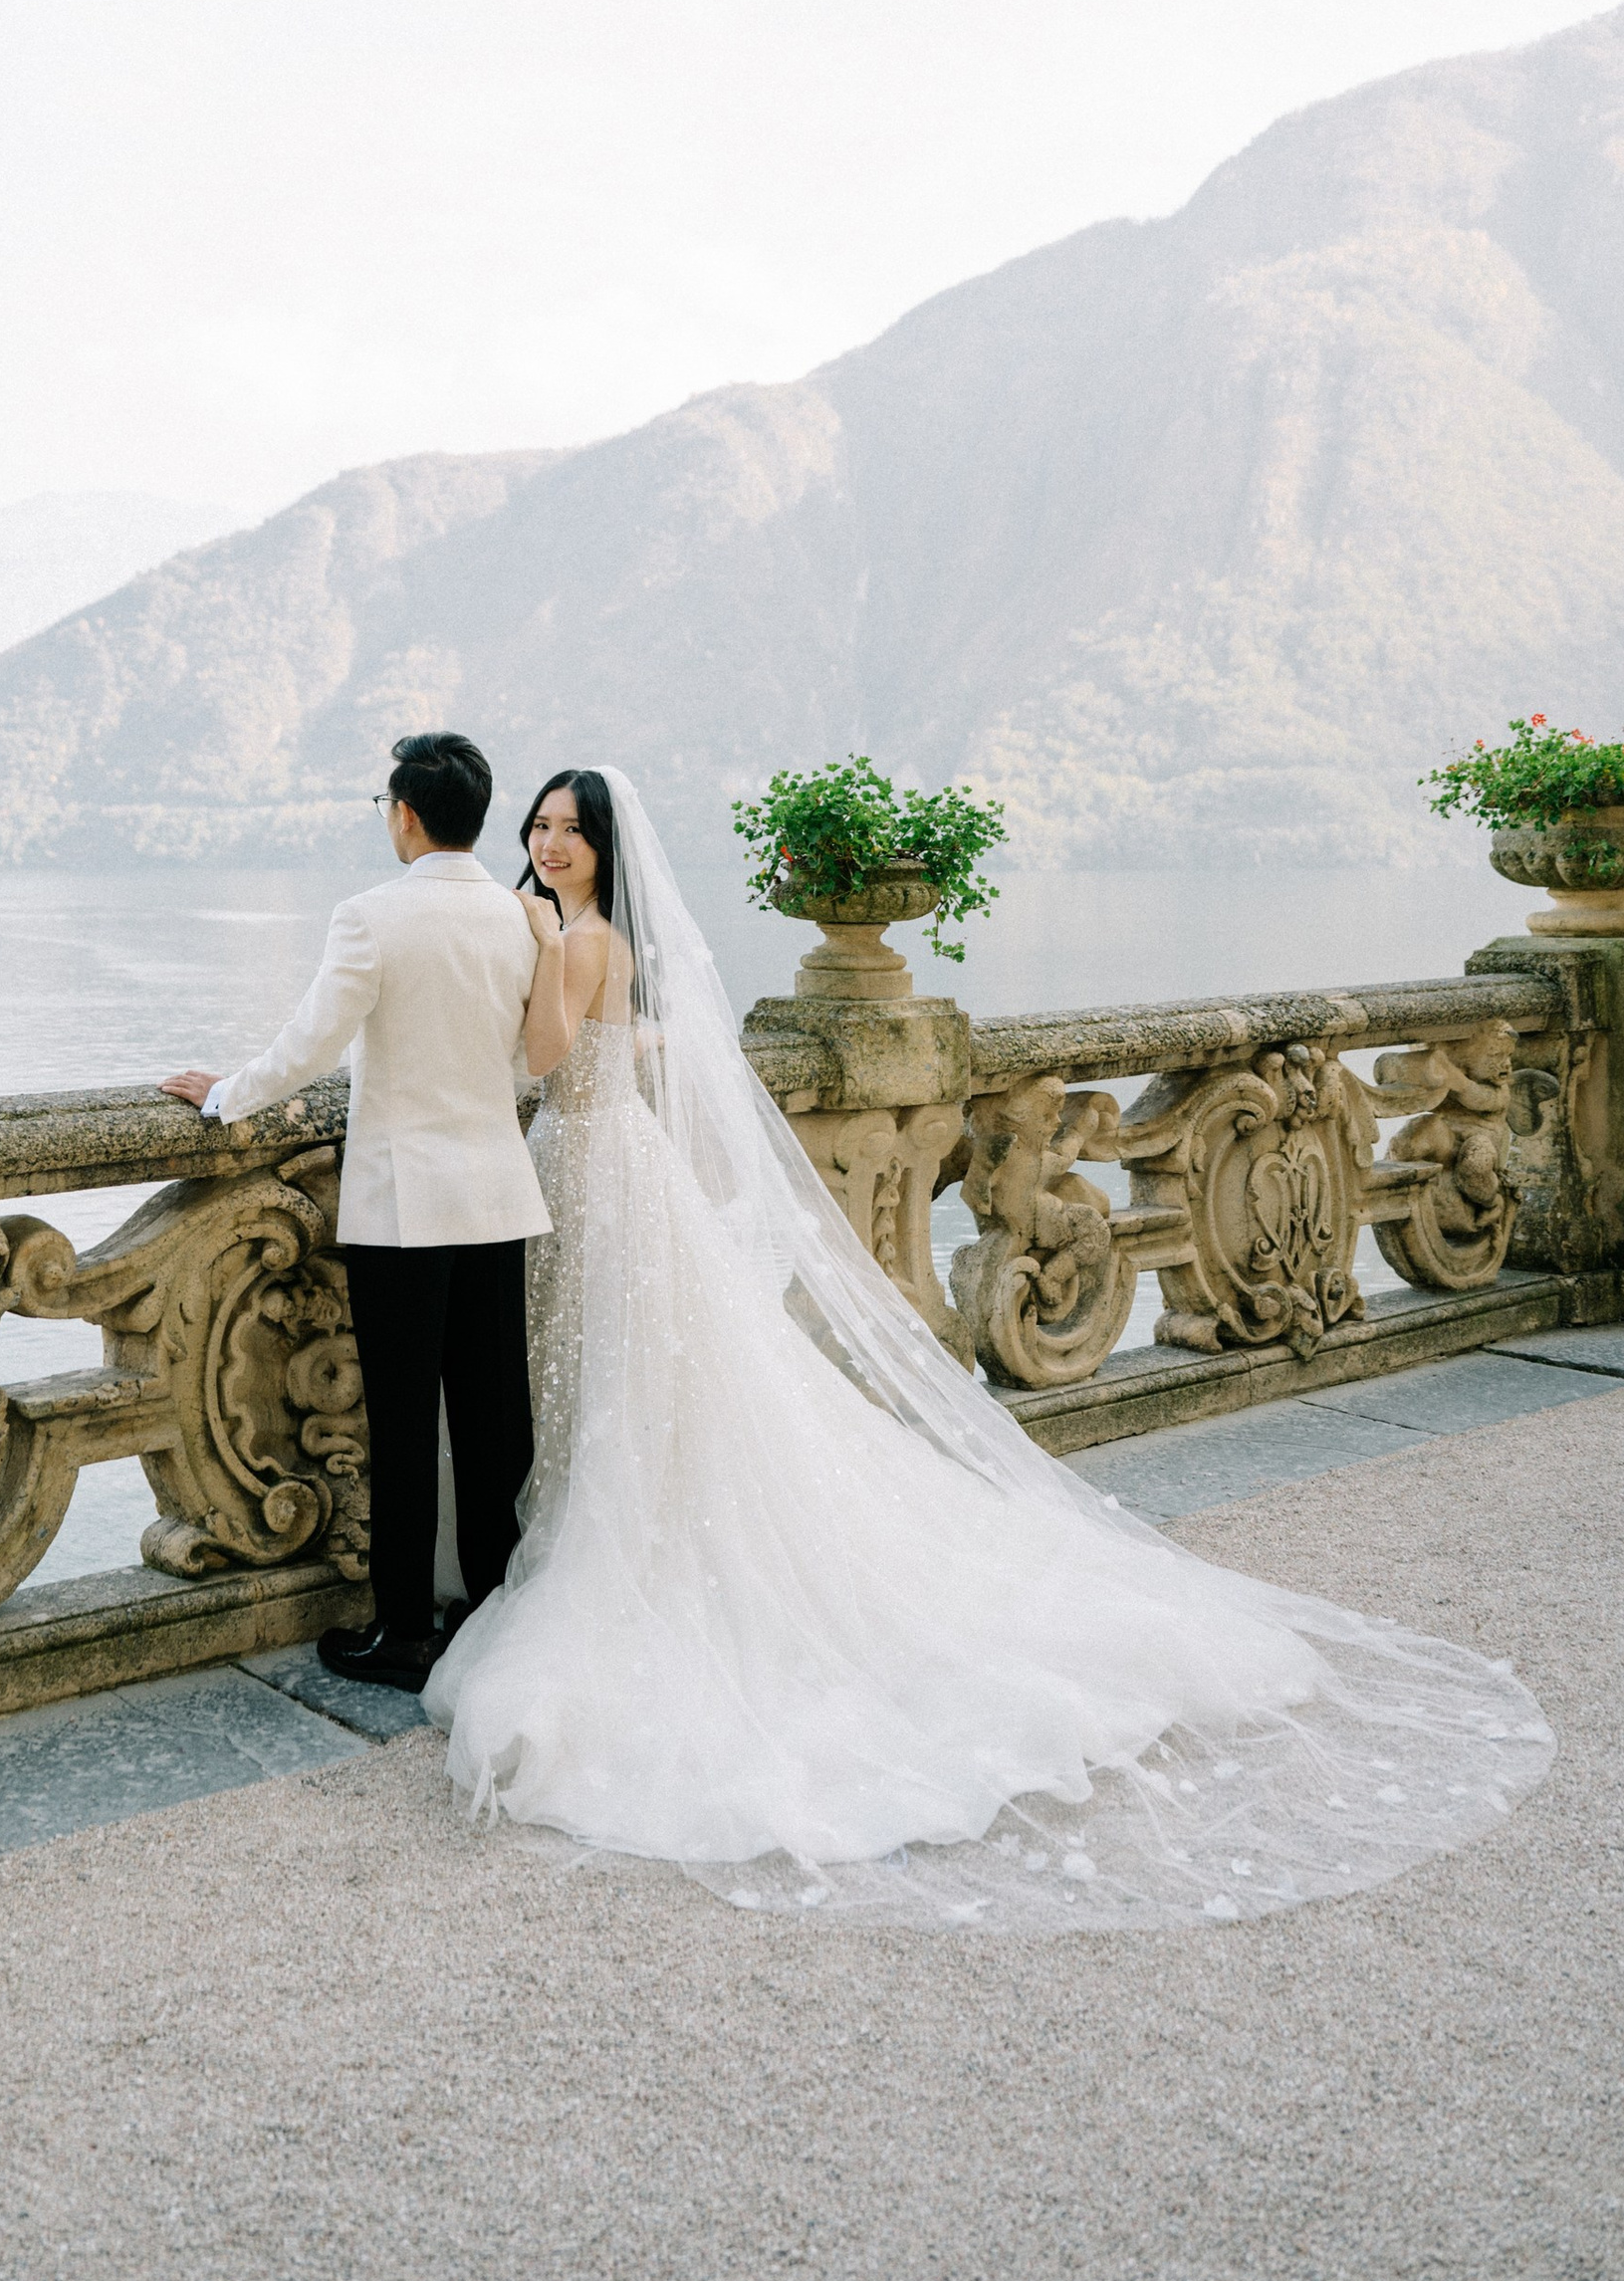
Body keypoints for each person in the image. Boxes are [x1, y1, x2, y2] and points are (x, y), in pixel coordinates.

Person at [426, 763, 1555, 1929]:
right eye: (540, 825)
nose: (549, 841)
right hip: (611, 1169)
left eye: (569, 828)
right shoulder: (600, 939)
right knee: (627, 1374)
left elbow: (550, 1063)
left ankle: (624, 1545)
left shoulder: (574, 933)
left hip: (593, 1166)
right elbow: (612, 1039)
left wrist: (531, 937)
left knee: (613, 1372)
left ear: (607, 848)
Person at [160, 730, 568, 1693]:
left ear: (406, 815)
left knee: (401, 1419)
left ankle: (403, 1631)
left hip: (404, 1207)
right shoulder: (523, 920)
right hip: (497, 1196)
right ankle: (490, 1609)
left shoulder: (372, 917)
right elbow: (519, 1059)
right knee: (491, 1420)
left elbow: (308, 1044)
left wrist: (226, 1094)